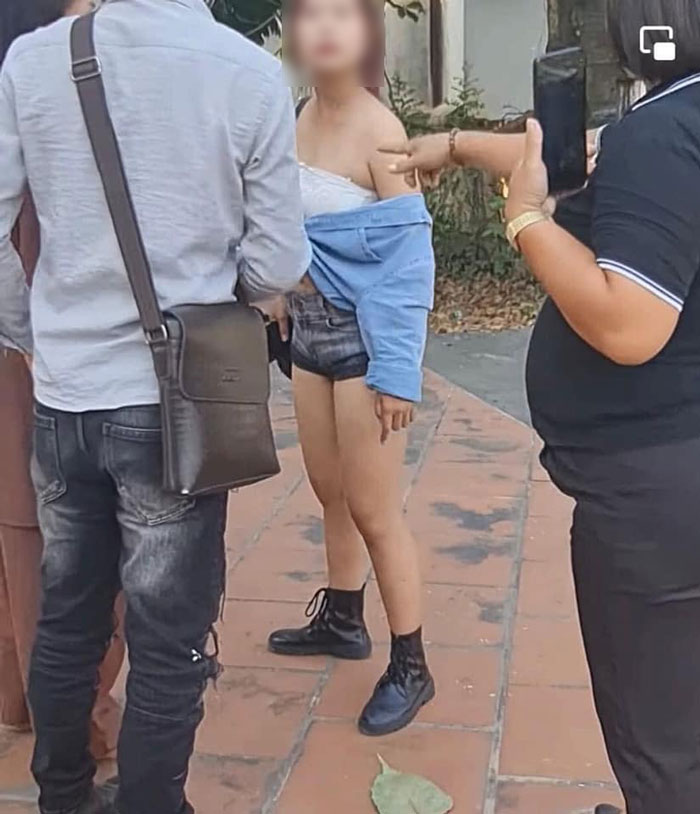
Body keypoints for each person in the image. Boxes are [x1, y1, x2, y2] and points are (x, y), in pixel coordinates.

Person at [384, 0, 700, 811]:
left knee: (658, 742)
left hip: (655, 495)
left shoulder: (664, 135)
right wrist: (458, 146)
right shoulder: (669, 124)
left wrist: (524, 219)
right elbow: (577, 159)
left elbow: (629, 325)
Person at [0, 0, 310, 811]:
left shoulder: (33, 61)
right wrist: (220, 296)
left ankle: (64, 796)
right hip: (177, 404)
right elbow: (278, 261)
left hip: (66, 397)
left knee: (68, 617)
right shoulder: (250, 75)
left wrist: (34, 332)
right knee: (168, 639)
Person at [267, 0, 436, 737]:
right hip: (309, 334)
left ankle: (412, 664)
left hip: (366, 343)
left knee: (374, 509)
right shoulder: (296, 117)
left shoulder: (381, 132)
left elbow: (408, 262)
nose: (327, 28)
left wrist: (398, 372)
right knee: (329, 490)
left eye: (344, 13)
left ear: (367, 32)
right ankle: (342, 617)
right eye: (310, 14)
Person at [0, 0, 125, 761]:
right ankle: (81, 723)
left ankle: (25, 696)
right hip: (43, 228)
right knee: (66, 507)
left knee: (22, 499)